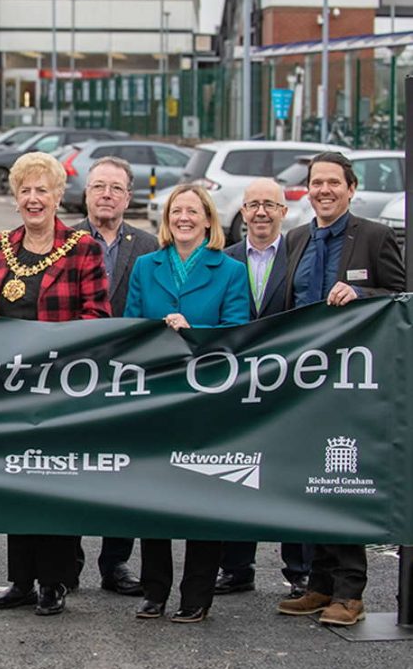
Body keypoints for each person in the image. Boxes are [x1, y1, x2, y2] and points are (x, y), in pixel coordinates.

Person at [0, 152, 110, 617]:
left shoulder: (82, 247)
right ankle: (21, 581)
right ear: (16, 199)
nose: (34, 199)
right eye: (25, 191)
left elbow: (97, 316)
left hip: (59, 391)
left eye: (42, 191)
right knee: (15, 481)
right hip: (8, 392)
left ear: (58, 196)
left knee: (53, 483)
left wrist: (51, 352)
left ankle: (54, 581)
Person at [277, 151, 404, 627]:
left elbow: (401, 297)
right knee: (311, 484)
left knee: (343, 483)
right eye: (316, 183)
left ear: (351, 189)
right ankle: (320, 585)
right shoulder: (296, 239)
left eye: (334, 182)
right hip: (305, 385)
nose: (324, 190)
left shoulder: (373, 235)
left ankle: (351, 592)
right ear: (307, 190)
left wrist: (364, 294)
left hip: (354, 383)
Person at [124, 183, 250, 623]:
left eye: (193, 212)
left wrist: (192, 330)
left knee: (202, 498)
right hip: (156, 397)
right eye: (177, 211)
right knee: (153, 496)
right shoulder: (145, 265)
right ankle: (154, 591)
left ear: (208, 220)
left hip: (206, 400)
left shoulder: (230, 270)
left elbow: (237, 334)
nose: (184, 218)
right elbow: (131, 327)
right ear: (167, 218)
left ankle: (196, 595)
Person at [216, 178, 311, 600]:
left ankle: (299, 570)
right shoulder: (227, 259)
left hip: (287, 388)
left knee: (288, 477)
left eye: (269, 205)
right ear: (243, 210)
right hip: (237, 389)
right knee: (237, 474)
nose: (259, 213)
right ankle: (237, 568)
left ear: (283, 211)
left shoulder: (300, 256)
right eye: (252, 205)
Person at [73, 156, 158, 598]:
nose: (106, 195)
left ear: (128, 196)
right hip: (72, 375)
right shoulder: (63, 239)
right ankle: (65, 564)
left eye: (116, 188)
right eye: (98, 187)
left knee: (122, 469)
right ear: (85, 193)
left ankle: (116, 564)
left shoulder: (147, 245)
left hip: (129, 376)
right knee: (66, 467)